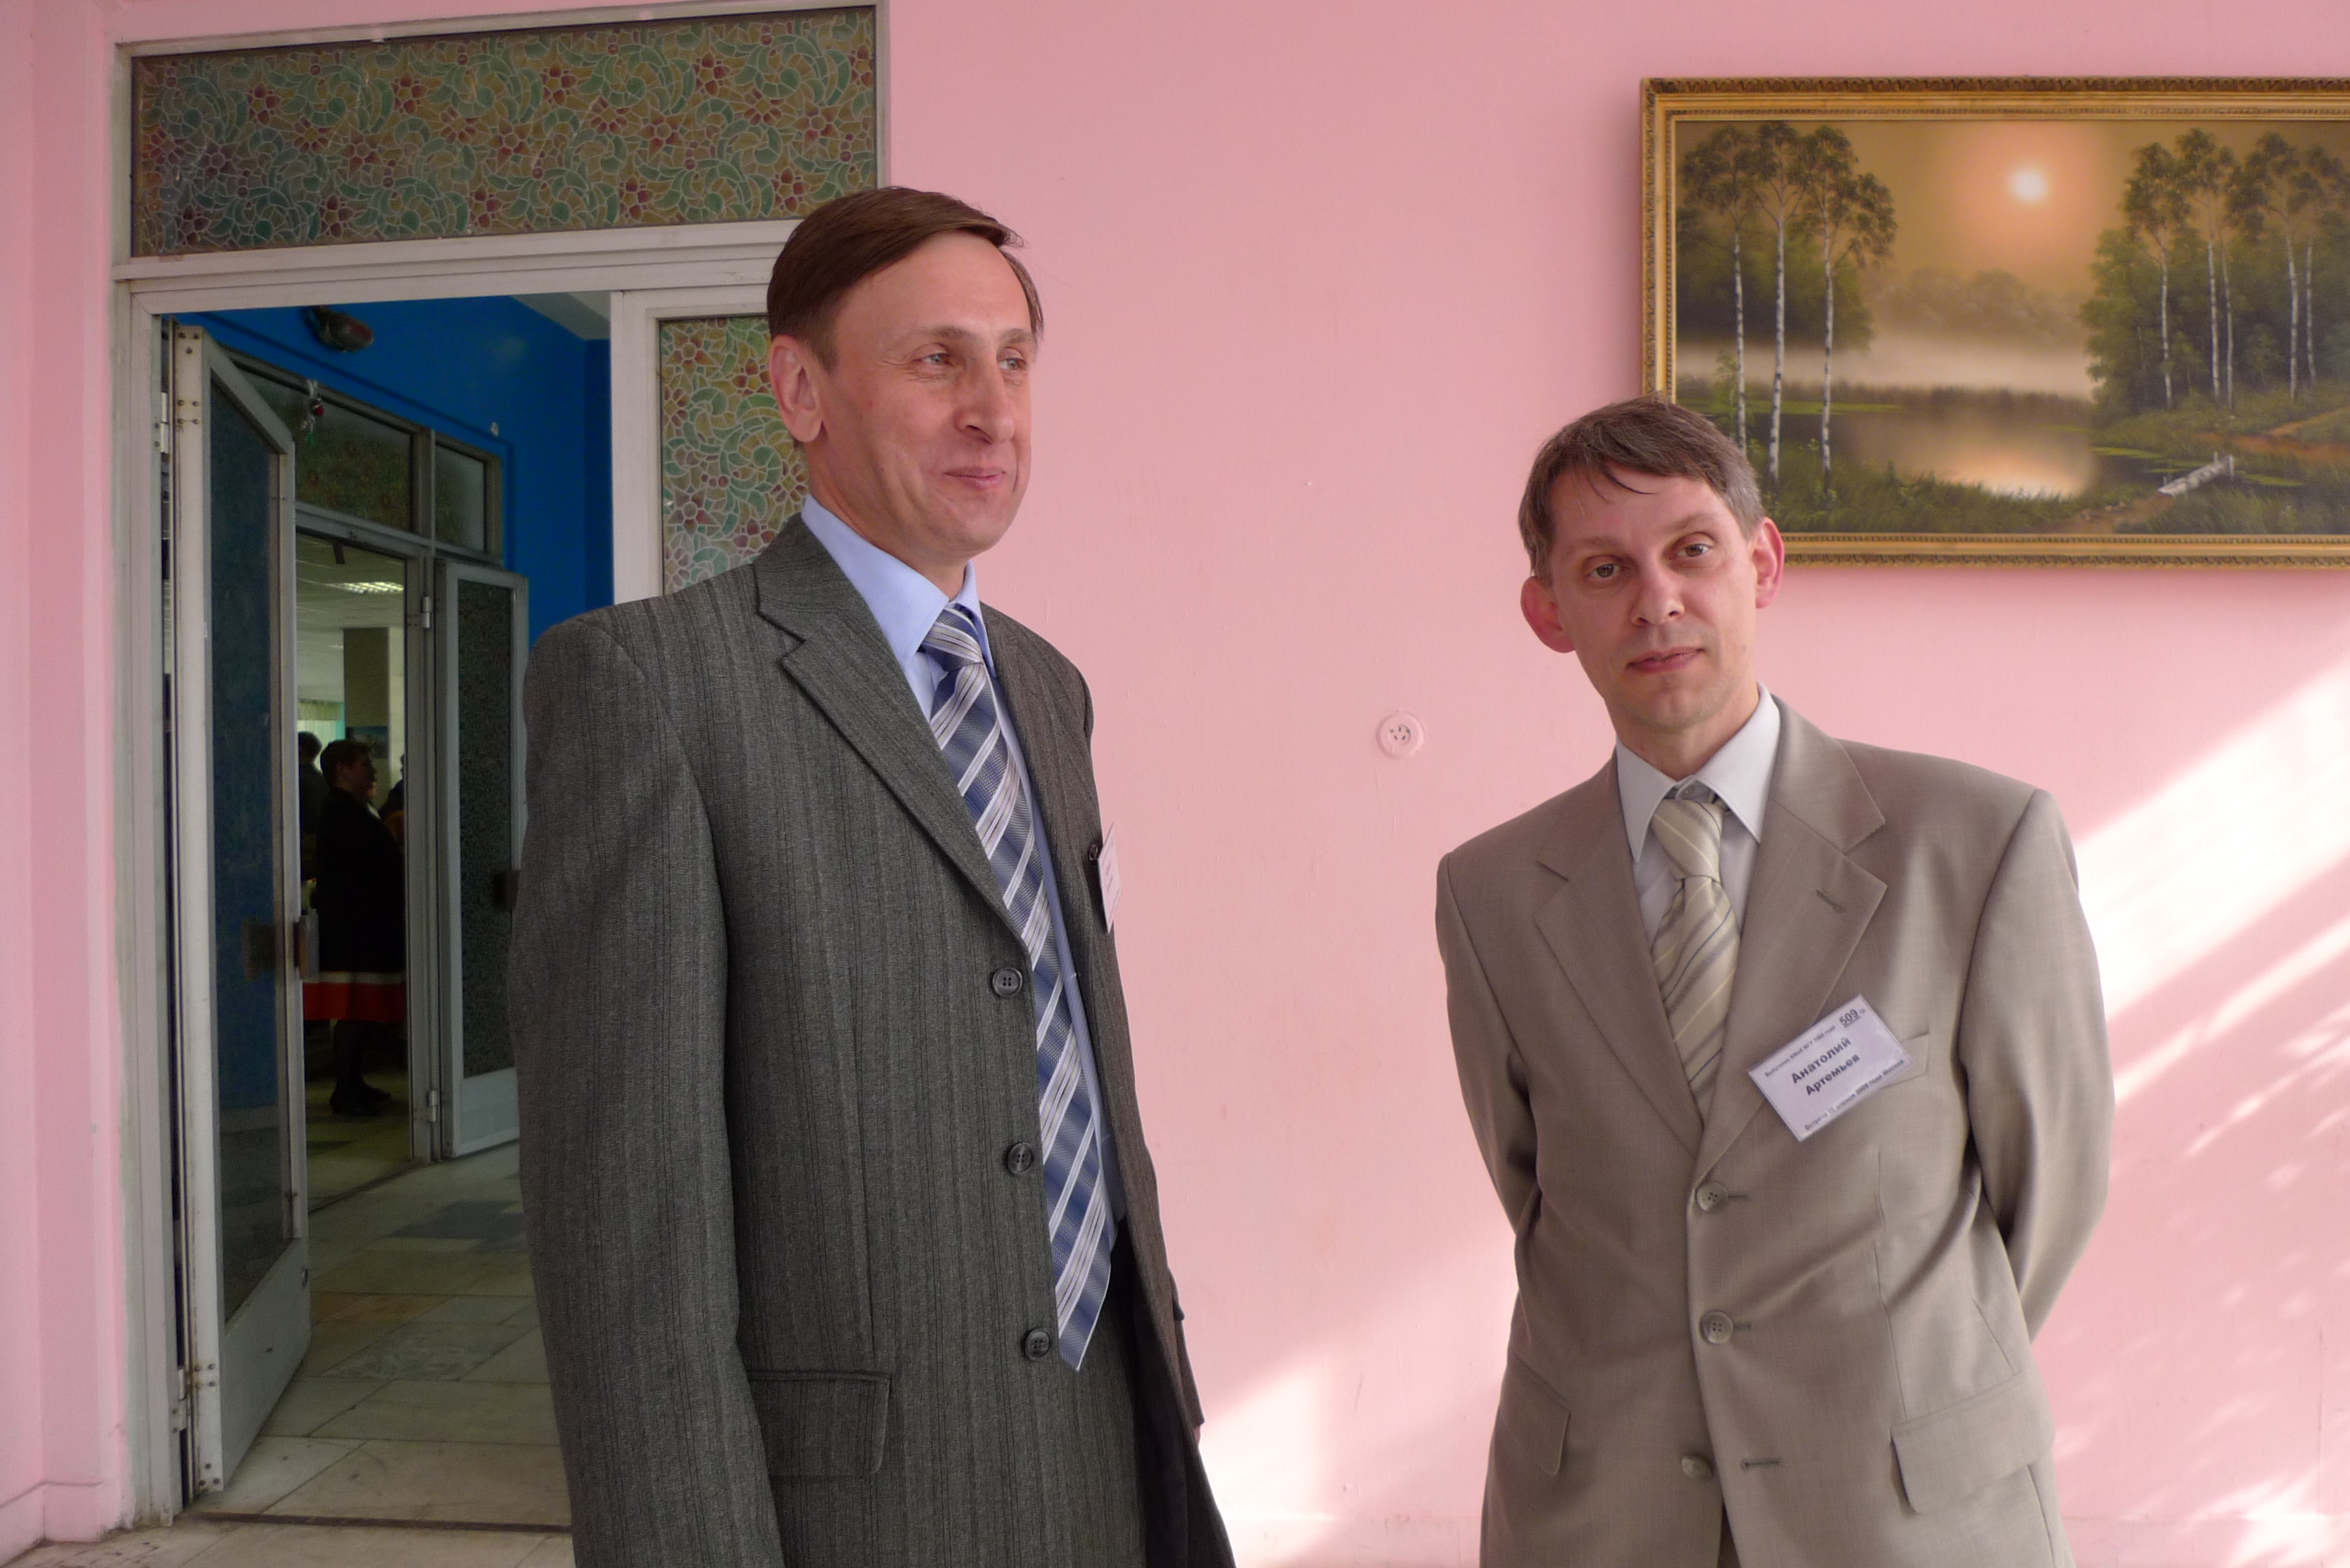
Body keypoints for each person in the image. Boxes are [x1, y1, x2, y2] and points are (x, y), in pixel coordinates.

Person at [510, 187, 1233, 1568]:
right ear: (801, 390)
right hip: (855, 1507)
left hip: (1109, 1455)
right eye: (936, 360)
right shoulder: (651, 687)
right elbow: (626, 1229)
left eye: (1013, 361)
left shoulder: (1047, 689)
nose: (993, 412)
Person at [1434, 396, 2112, 1568]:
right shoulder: (1489, 893)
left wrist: (1915, 1377)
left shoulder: (1975, 843)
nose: (1656, 601)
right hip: (1605, 1510)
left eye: (1692, 551)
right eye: (1605, 569)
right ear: (1550, 612)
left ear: (1761, 564)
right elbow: (1537, 1188)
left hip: (1904, 1509)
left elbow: (2052, 1183)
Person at [310, 738, 403, 1116]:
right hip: (352, 927)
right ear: (342, 769)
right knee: (352, 1008)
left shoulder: (354, 809)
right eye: (365, 764)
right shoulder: (341, 812)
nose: (373, 771)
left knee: (361, 1008)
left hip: (362, 923)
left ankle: (354, 1081)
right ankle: (346, 1088)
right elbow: (366, 864)